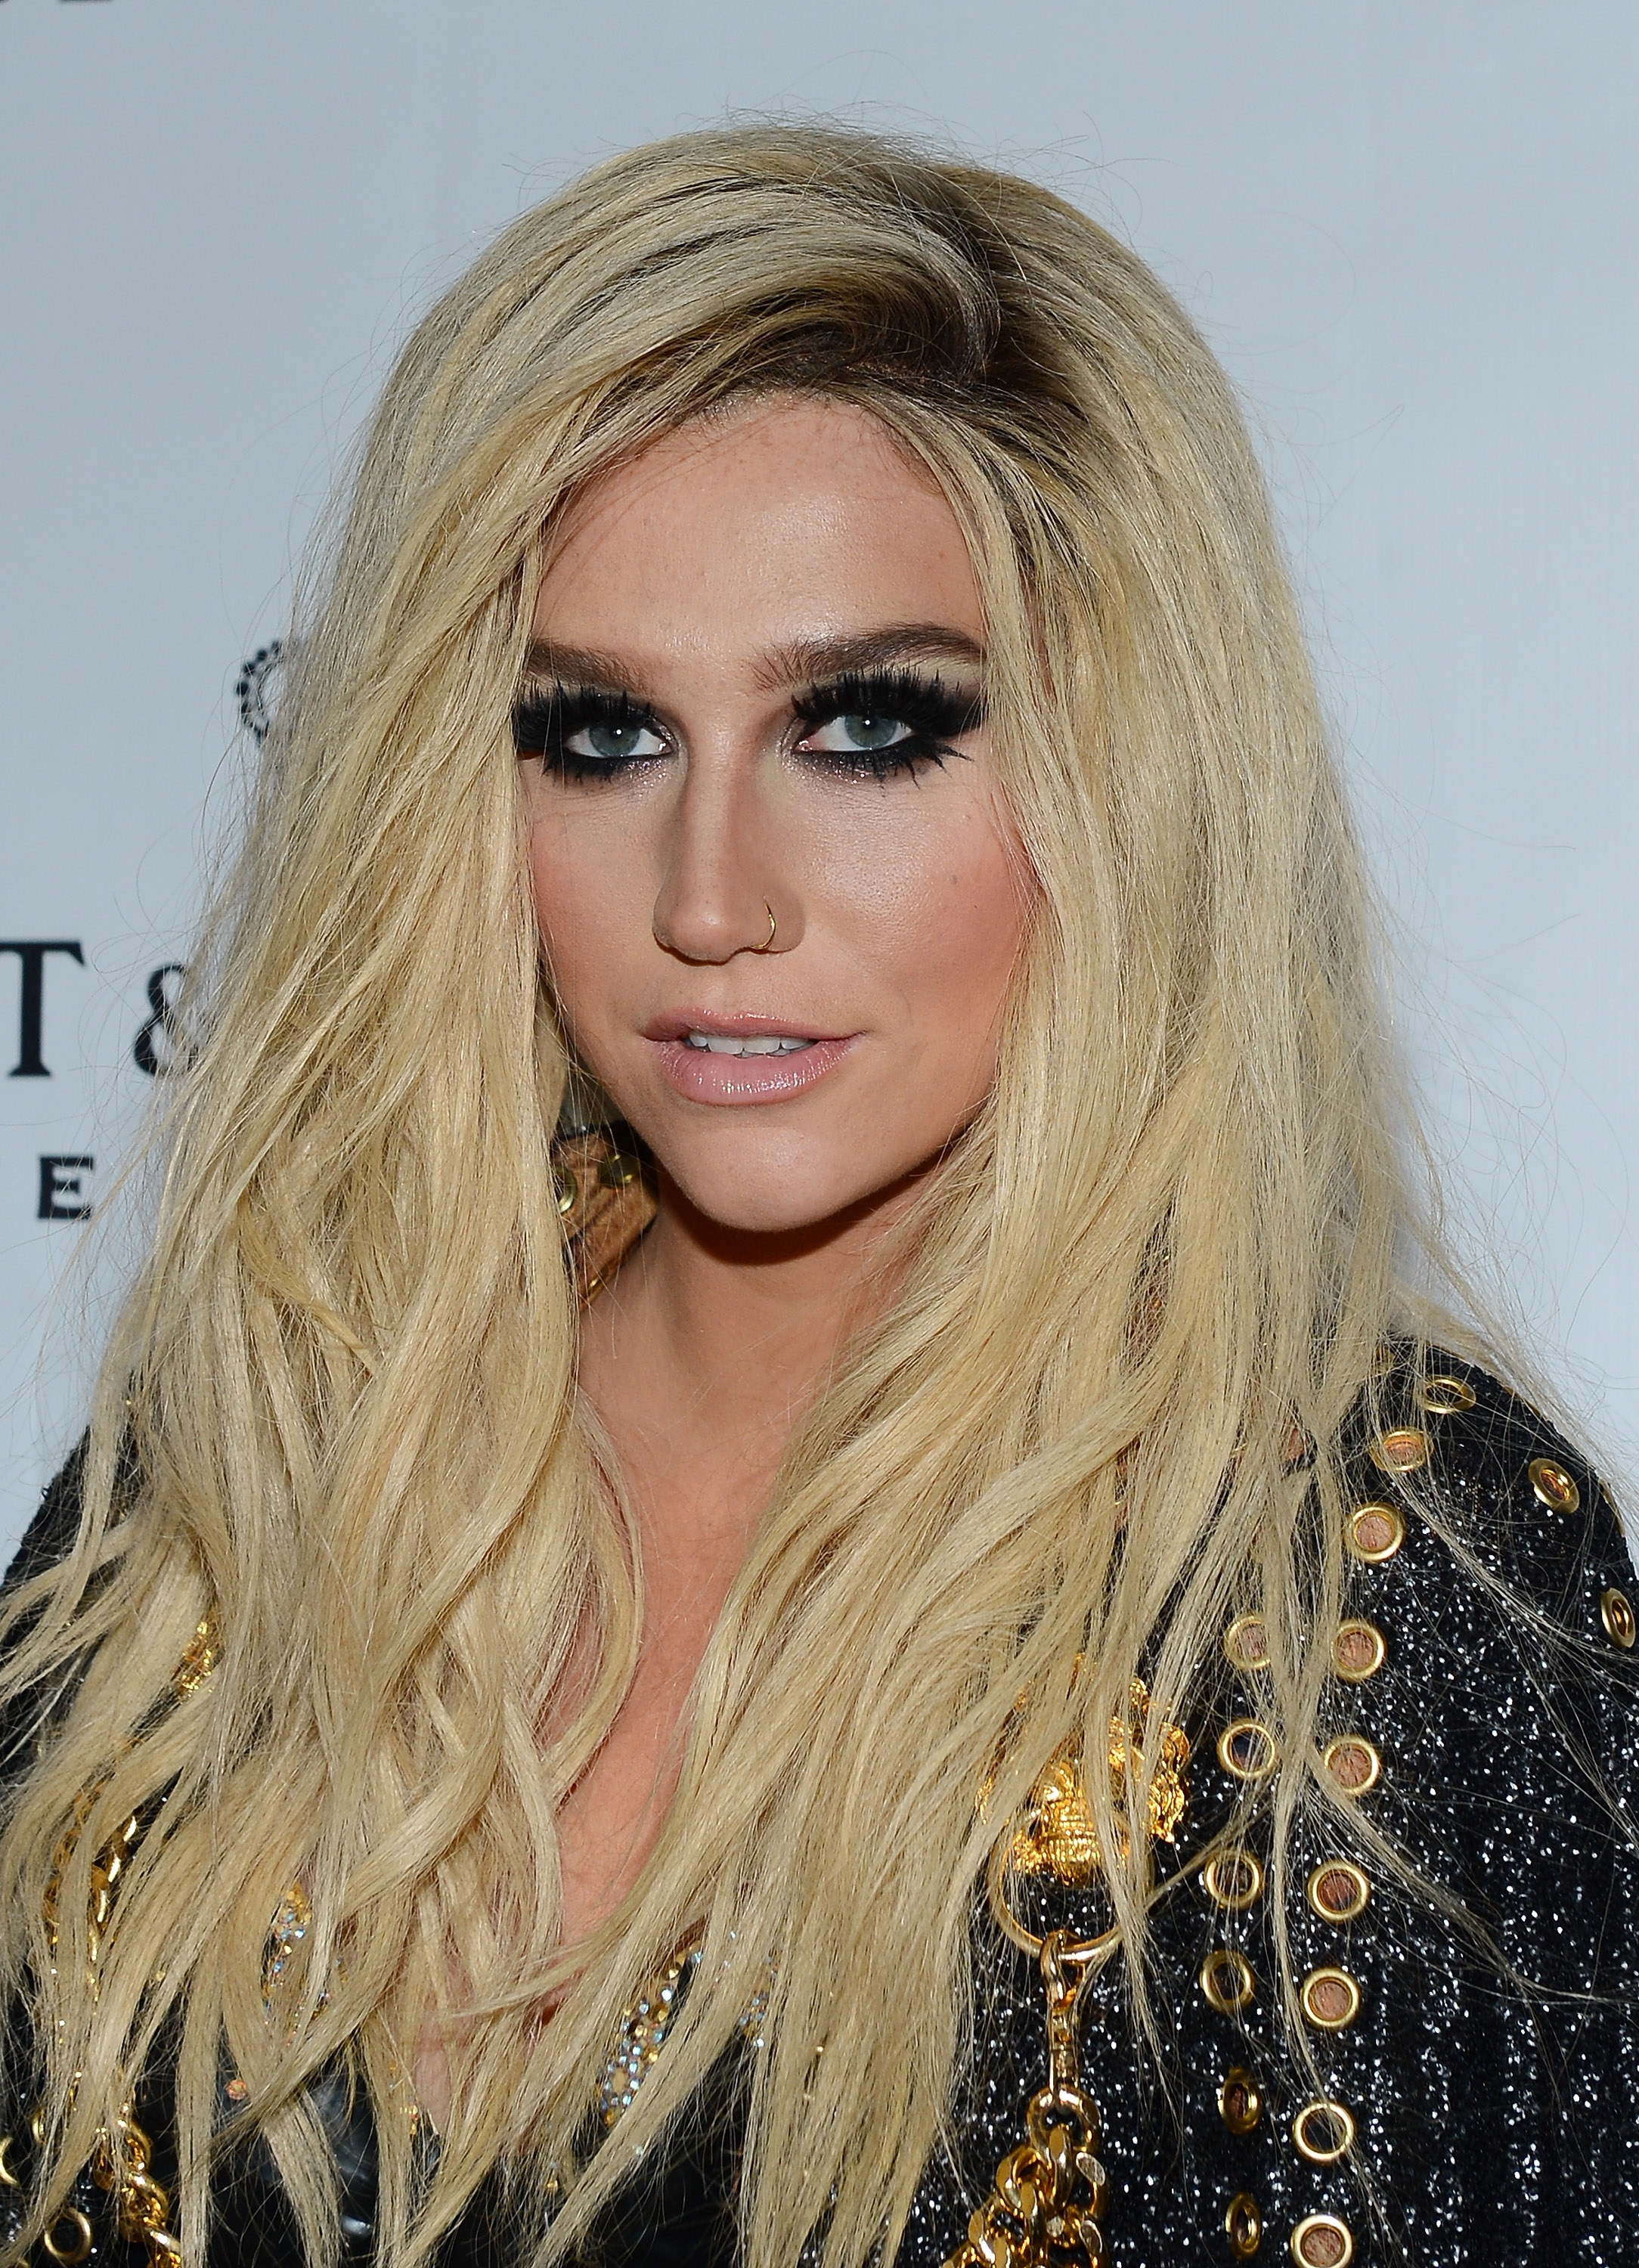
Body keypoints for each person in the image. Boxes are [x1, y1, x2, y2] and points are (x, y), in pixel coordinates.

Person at [0, 122, 1634, 2268]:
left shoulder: (1369, 1578)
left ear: (1127, 765)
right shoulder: (253, 1472)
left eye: (866, 728)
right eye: (600, 736)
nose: (713, 900)